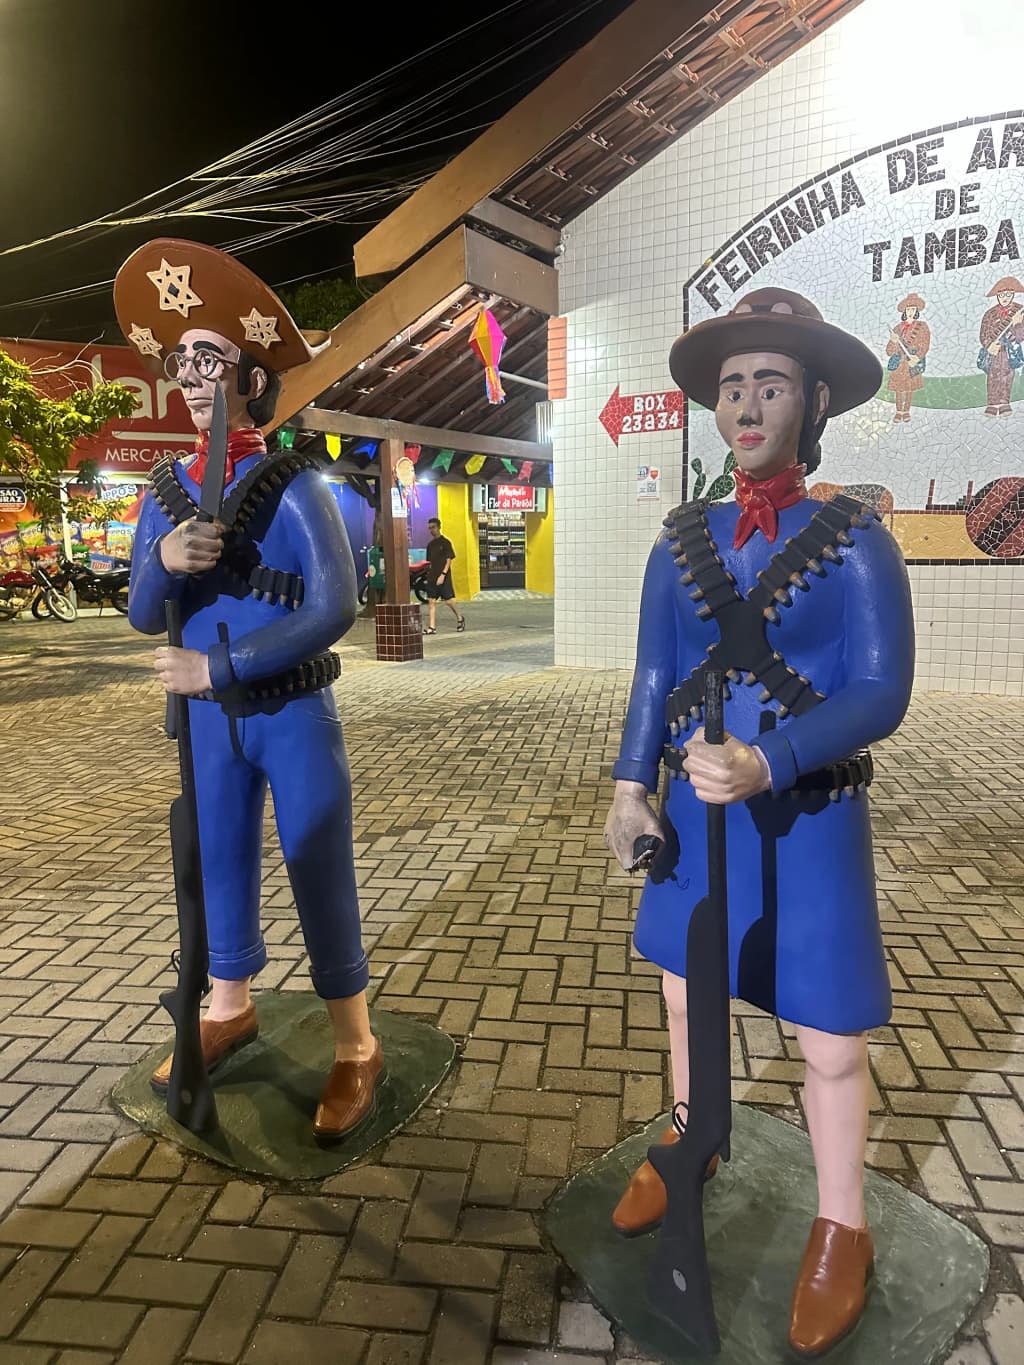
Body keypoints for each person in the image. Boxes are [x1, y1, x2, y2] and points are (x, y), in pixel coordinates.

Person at [603, 288, 914, 1358]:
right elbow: (654, 671)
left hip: (810, 827)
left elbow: (881, 691)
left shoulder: (855, 541)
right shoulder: (679, 543)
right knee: (686, 993)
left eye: (769, 384)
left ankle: (841, 1222)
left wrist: (771, 756)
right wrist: (627, 786)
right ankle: (695, 1139)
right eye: (732, 386)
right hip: (696, 820)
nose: (746, 403)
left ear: (812, 400)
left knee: (826, 1040)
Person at [118, 238, 383, 1142]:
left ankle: (356, 1044)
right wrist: (162, 556)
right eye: (181, 360)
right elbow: (140, 615)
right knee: (219, 859)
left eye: (211, 359)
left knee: (317, 862)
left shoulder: (296, 482)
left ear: (253, 378)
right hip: (204, 726)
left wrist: (219, 666)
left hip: (292, 708)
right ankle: (228, 1000)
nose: (192, 376)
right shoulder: (164, 491)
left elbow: (335, 604)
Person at [978, 276, 1024, 417]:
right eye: (1002, 295)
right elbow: (983, 333)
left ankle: (1004, 403)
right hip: (993, 351)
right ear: (997, 296)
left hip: (1008, 352)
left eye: (1008, 294)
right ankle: (992, 403)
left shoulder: (1019, 311)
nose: (1005, 298)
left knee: (1007, 376)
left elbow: (1020, 336)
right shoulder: (989, 314)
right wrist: (989, 345)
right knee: (993, 376)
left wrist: (1016, 324)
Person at [884, 292, 930, 422]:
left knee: (910, 389)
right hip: (900, 363)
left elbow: (925, 344)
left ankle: (906, 411)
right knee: (898, 389)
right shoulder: (897, 328)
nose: (910, 312)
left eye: (913, 309)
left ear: (916, 311)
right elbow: (889, 351)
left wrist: (917, 357)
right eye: (908, 309)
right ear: (904, 311)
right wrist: (893, 341)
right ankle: (898, 411)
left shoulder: (922, 327)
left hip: (912, 361)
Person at [423, 516, 465, 634]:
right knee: (431, 601)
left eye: (434, 527)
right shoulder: (430, 545)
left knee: (449, 601)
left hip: (443, 576)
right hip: (432, 576)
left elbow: (449, 559)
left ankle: (460, 618)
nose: (432, 530)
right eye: (430, 528)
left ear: (439, 527)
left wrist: (443, 574)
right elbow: (430, 561)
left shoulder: (445, 542)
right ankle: (432, 627)